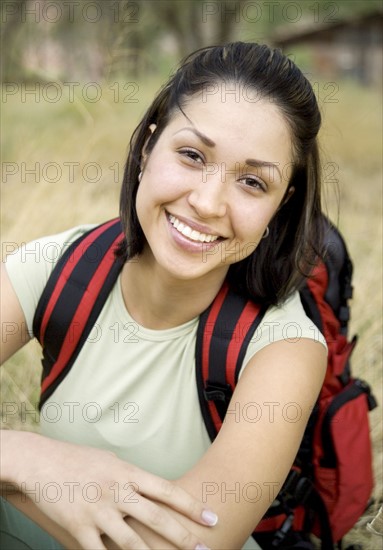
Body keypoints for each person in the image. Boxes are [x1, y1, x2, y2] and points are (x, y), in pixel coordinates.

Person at [0, 42, 327, 550]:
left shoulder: (285, 346)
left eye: (251, 182)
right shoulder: (57, 268)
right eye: (192, 155)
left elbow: (183, 544)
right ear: (149, 147)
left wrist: (28, 486)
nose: (207, 202)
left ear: (280, 205)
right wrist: (31, 460)